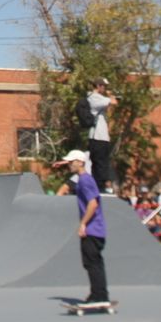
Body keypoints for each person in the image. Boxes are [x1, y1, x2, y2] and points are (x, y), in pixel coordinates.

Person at [59, 149, 109, 305]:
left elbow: (93, 204)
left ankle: (99, 296)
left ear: (80, 162)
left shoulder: (85, 180)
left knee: (92, 262)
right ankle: (99, 293)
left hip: (92, 229)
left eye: (71, 162)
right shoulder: (82, 179)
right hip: (95, 229)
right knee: (92, 262)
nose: (69, 165)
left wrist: (83, 224)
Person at [84, 77, 116, 194]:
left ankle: (100, 186)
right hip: (97, 137)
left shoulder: (97, 99)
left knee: (101, 163)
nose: (105, 88)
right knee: (100, 164)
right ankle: (100, 188)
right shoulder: (94, 97)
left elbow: (108, 107)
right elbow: (113, 102)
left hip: (100, 137)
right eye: (103, 86)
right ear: (98, 86)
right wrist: (110, 95)